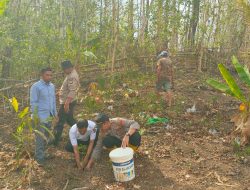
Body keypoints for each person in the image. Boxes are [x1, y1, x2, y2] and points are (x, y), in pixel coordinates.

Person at [30, 67, 57, 165]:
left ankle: (43, 154)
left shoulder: (52, 86)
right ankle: (39, 158)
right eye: (47, 75)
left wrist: (55, 114)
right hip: (40, 117)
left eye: (51, 75)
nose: (49, 77)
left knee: (46, 137)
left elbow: (53, 101)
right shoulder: (36, 86)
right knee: (40, 139)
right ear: (42, 75)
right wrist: (36, 117)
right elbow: (33, 102)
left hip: (49, 116)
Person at [53, 60, 80, 145]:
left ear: (68, 68)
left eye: (64, 69)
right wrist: (59, 93)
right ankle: (81, 131)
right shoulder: (70, 74)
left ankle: (55, 140)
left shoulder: (72, 76)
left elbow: (72, 91)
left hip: (68, 102)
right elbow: (67, 88)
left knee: (60, 122)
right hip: (68, 101)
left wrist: (67, 103)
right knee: (70, 120)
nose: (63, 71)